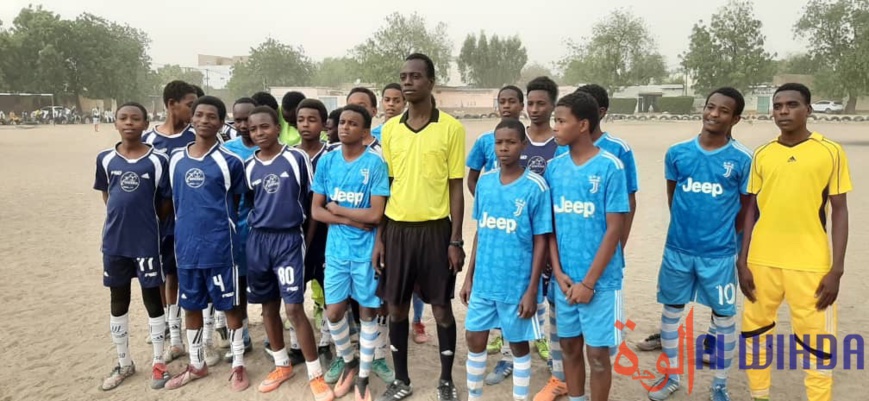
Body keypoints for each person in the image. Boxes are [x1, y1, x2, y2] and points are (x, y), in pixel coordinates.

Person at [739, 83, 851, 401]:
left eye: (792, 105)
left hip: (811, 263)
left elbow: (840, 211)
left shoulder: (830, 151)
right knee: (755, 333)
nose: (783, 111)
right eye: (778, 106)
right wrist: (742, 260)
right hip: (761, 262)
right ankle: (759, 395)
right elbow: (751, 210)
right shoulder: (763, 154)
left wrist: (836, 270)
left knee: (817, 340)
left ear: (808, 109)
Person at [647, 88, 752, 401]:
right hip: (677, 250)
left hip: (719, 255)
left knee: (724, 316)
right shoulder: (677, 152)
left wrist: (726, 240)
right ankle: (672, 376)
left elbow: (747, 211)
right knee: (671, 311)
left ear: (735, 118)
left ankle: (719, 385)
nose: (713, 115)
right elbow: (673, 196)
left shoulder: (742, 159)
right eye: (710, 107)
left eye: (723, 111)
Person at [375, 53, 466, 401]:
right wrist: (381, 239)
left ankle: (446, 380)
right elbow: (388, 185)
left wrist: (455, 239)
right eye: (403, 76)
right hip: (397, 231)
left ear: (431, 82)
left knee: (441, 307)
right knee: (395, 306)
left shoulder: (451, 128)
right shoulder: (389, 130)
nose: (408, 81)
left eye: (415, 76)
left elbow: (456, 186)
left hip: (436, 231)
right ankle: (401, 380)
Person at [240, 105, 335, 400]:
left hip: (289, 241)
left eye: (264, 127)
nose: (259, 133)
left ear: (278, 127)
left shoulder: (296, 159)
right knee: (268, 305)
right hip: (259, 242)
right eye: (253, 129)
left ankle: (315, 373)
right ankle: (282, 365)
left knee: (293, 308)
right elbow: (250, 203)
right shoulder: (249, 166)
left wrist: (304, 241)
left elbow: (311, 202)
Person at [460, 118, 551, 401]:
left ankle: (520, 397)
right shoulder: (485, 183)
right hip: (485, 281)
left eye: (511, 142)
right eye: (499, 143)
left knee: (518, 345)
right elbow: (480, 231)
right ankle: (474, 396)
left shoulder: (536, 186)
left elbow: (541, 240)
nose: (504, 148)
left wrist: (532, 289)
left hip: (516, 284)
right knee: (474, 338)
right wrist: (469, 277)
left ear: (523, 145)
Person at [546, 91, 629, 401]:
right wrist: (558, 271)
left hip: (600, 283)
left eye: (560, 121)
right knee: (568, 348)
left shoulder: (610, 167)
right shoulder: (555, 167)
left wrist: (589, 283)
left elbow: (614, 229)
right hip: (565, 281)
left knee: (597, 354)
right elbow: (550, 227)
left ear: (582, 125)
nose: (554, 126)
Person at [164, 96, 250, 391]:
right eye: (198, 114)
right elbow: (170, 201)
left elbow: (242, 202)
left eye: (211, 116)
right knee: (191, 306)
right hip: (186, 249)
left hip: (221, 249)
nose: (203, 120)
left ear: (220, 122)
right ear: (191, 118)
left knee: (231, 307)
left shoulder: (231, 162)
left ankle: (238, 364)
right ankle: (197, 363)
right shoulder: (175, 159)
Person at [312, 104, 391, 401]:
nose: (344, 127)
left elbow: (375, 215)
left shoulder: (375, 164)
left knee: (367, 312)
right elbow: (317, 210)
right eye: (342, 122)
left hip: (365, 252)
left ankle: (362, 378)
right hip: (336, 252)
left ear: (364, 130)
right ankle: (348, 362)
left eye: (352, 123)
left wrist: (339, 208)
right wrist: (347, 219)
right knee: (334, 312)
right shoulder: (328, 161)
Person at [95, 103, 172, 391]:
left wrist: (146, 223)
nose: (129, 123)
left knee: (152, 299)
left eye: (135, 118)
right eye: (123, 118)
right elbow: (107, 195)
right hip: (114, 243)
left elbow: (165, 203)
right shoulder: (105, 159)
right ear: (115, 123)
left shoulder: (157, 160)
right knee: (118, 300)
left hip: (147, 242)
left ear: (145, 123)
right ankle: (124, 362)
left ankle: (158, 362)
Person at [142, 80, 198, 362]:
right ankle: (171, 331)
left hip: (190, 218)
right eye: (190, 104)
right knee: (166, 275)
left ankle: (191, 336)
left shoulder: (197, 136)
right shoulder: (150, 141)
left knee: (184, 274)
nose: (195, 110)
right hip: (160, 220)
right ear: (171, 103)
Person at [218, 97, 259, 361]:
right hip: (237, 228)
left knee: (271, 285)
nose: (243, 125)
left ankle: (278, 336)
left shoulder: (272, 149)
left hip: (264, 229)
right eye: (238, 119)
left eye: (249, 119)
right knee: (239, 283)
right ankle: (242, 335)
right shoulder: (227, 150)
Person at [466, 85, 525, 195]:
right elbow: (471, 180)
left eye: (512, 102)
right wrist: (485, 201)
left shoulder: (528, 140)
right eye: (502, 102)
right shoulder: (484, 140)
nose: (506, 106)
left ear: (521, 106)